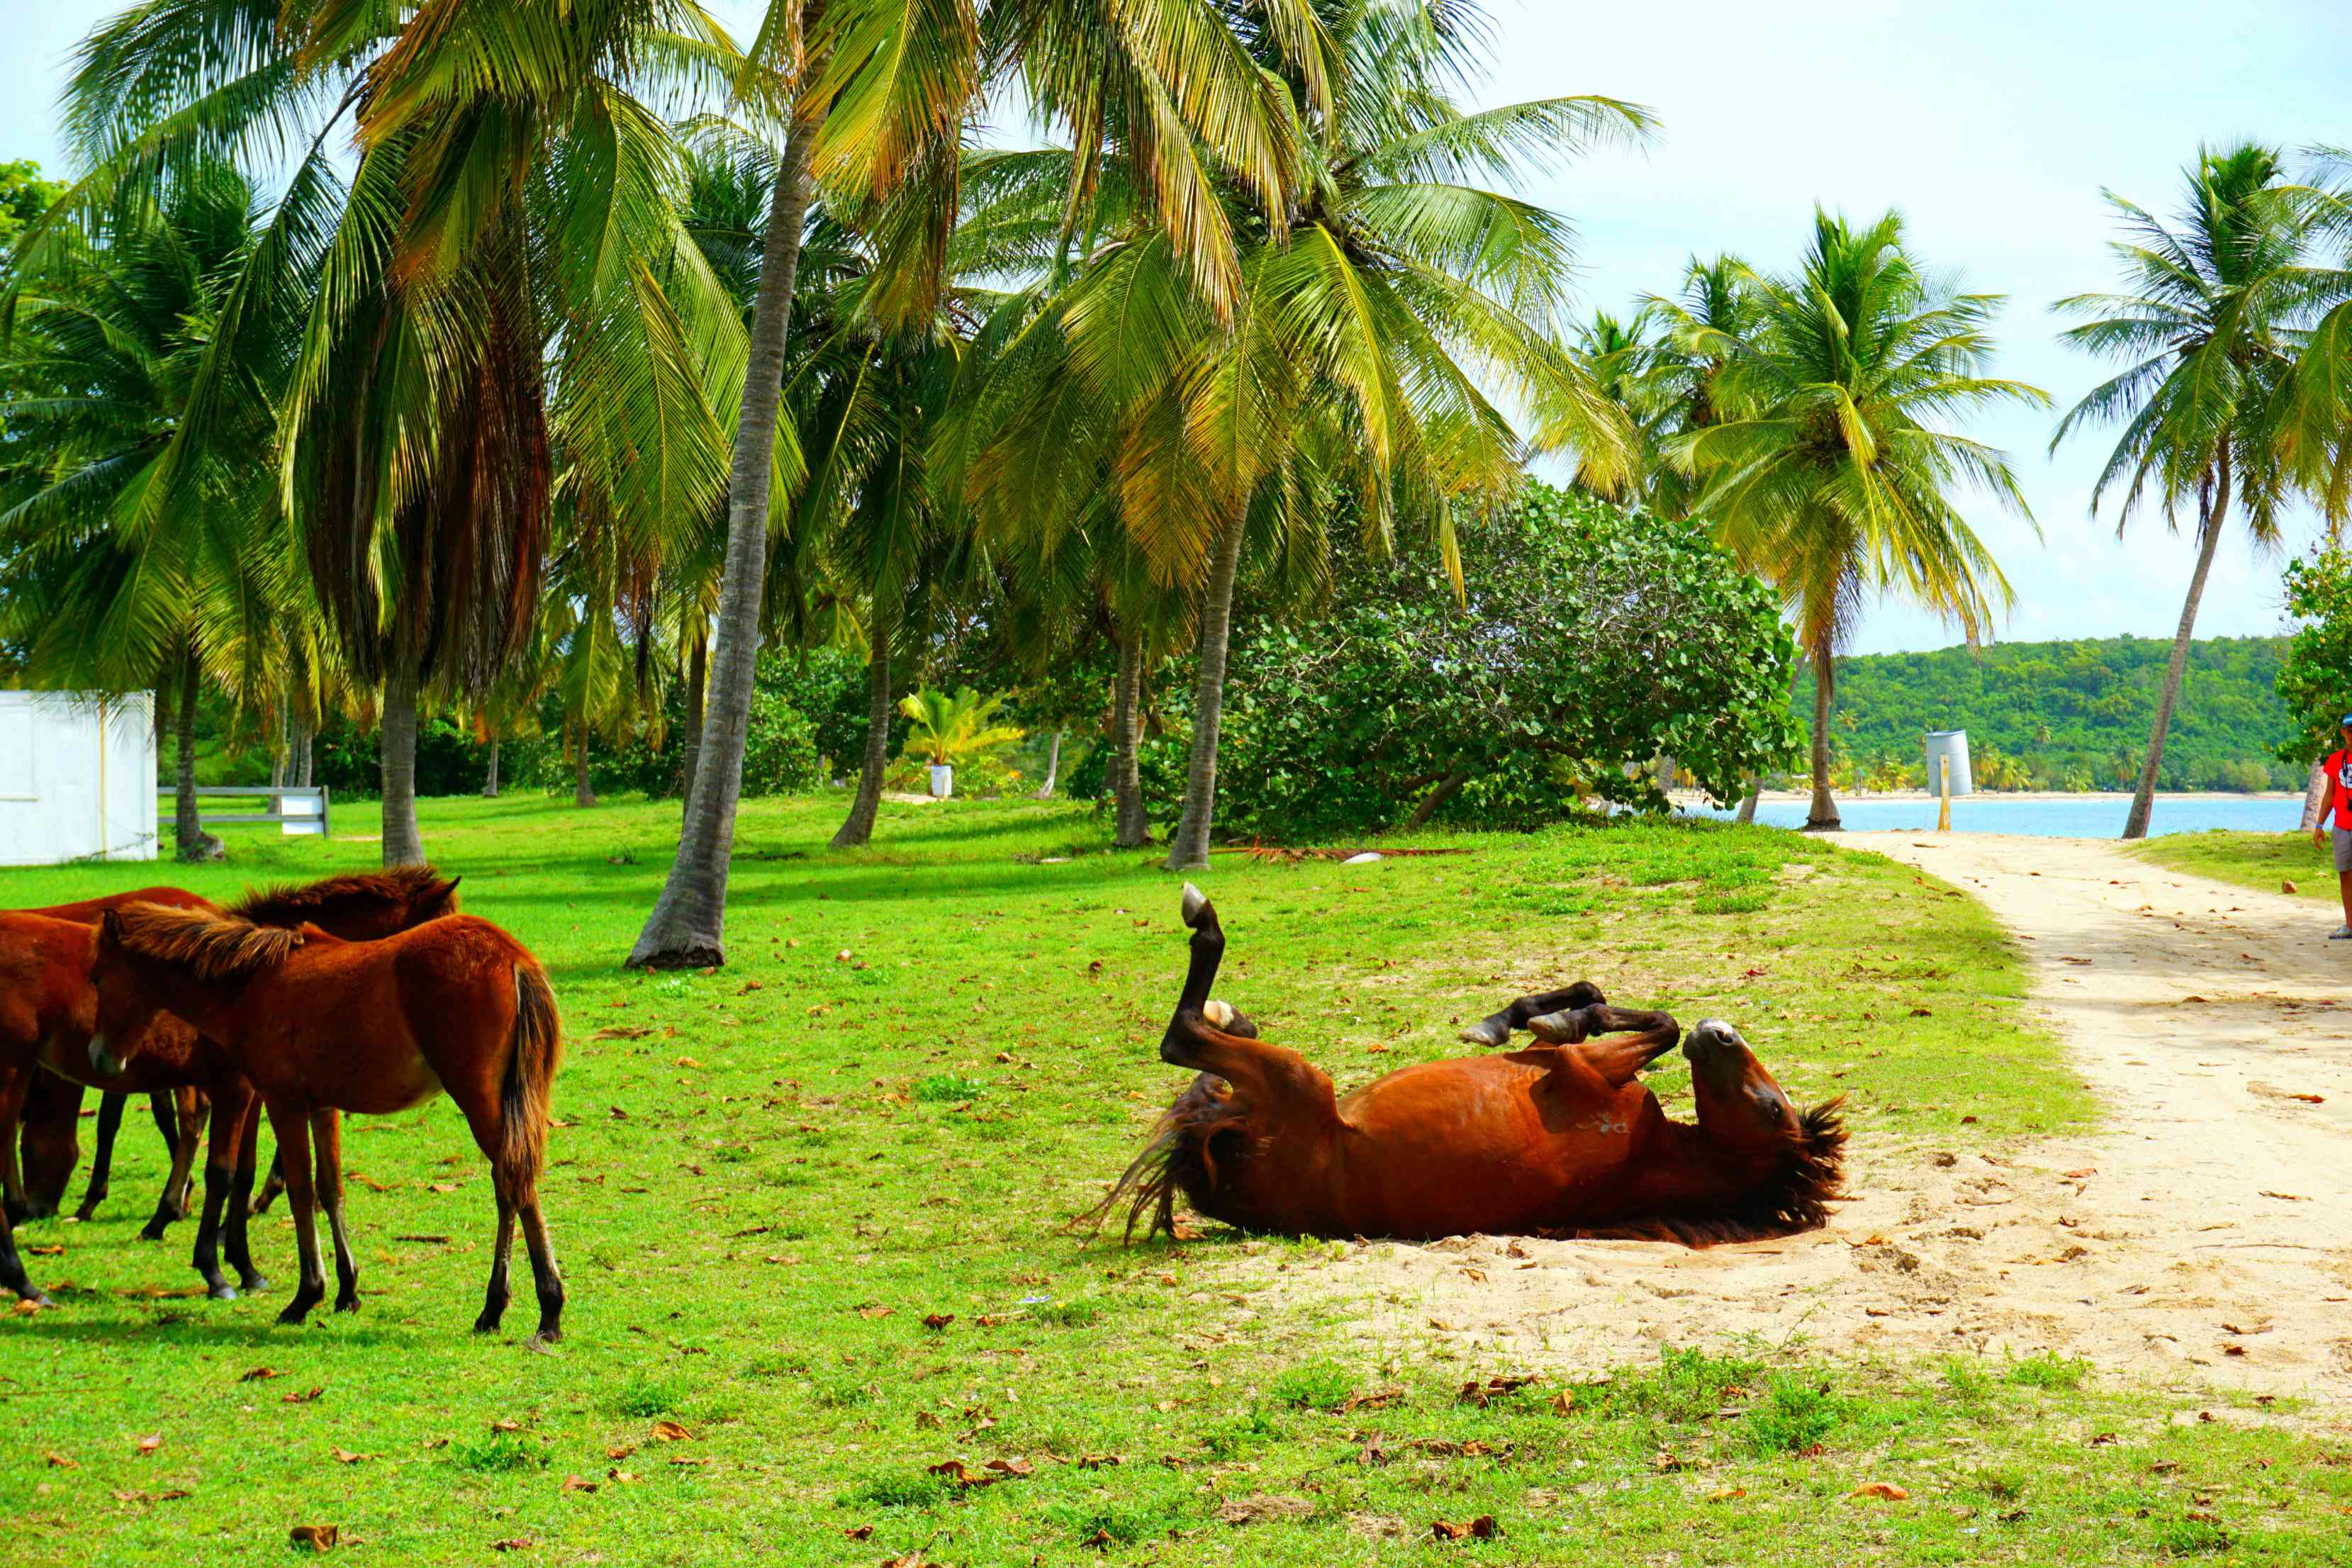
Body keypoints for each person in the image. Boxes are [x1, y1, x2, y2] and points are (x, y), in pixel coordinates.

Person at [2313, 712, 2352, 940]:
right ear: (2343, 733)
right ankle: (2349, 925)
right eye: (2349, 730)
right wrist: (2319, 824)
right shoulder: (2336, 760)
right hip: (2342, 826)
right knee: (2345, 876)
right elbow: (2329, 794)